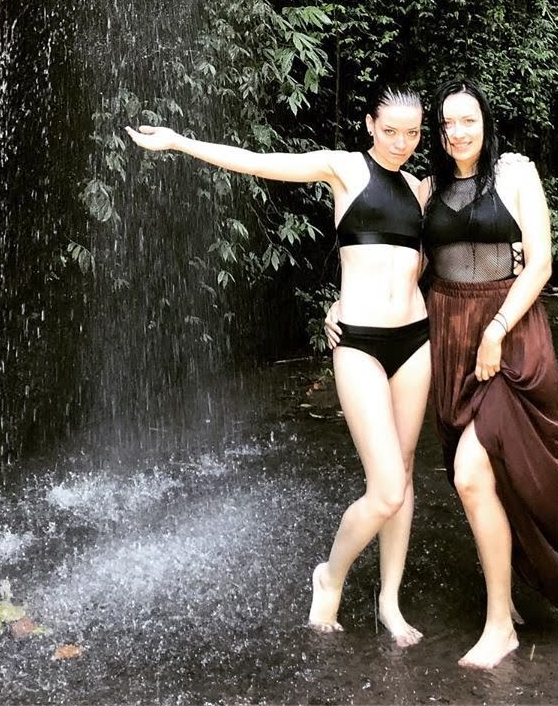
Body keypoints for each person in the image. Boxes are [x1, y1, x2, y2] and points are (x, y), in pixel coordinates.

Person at [126, 82, 432, 645]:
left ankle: (389, 599)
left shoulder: (420, 188)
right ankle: (330, 576)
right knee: (387, 488)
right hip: (361, 342)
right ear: (370, 124)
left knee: (407, 470)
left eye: (412, 133)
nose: (401, 143)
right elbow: (257, 162)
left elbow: (431, 257)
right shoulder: (344, 168)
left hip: (416, 341)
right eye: (390, 131)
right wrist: (178, 142)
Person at [330, 78, 558, 668]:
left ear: (486, 123)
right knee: (485, 476)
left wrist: (498, 329)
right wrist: (341, 305)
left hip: (508, 336)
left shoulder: (516, 173)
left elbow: (540, 262)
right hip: (450, 336)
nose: (457, 132)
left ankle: (499, 626)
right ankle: (507, 589)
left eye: (469, 120)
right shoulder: (427, 188)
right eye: (447, 123)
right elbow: (400, 265)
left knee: (470, 474)